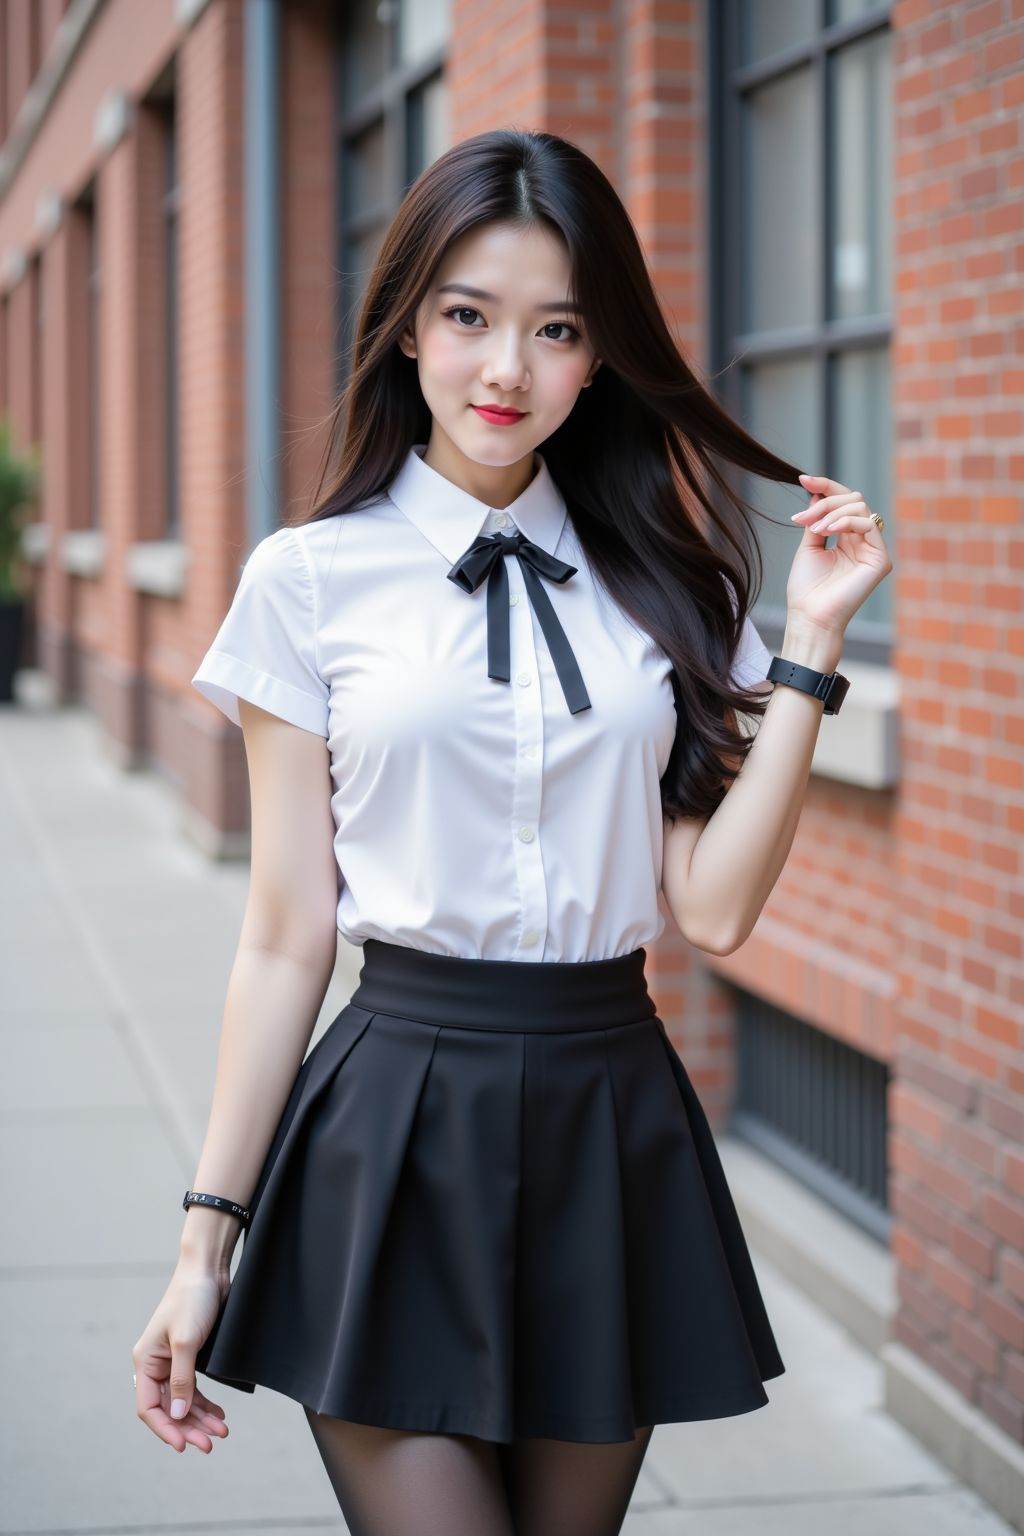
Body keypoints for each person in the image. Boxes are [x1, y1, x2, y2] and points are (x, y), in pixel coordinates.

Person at [132, 127, 892, 1535]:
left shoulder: (665, 585)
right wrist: (203, 1244)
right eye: (470, 318)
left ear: (599, 357)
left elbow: (713, 911)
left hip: (612, 1115)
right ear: (409, 323)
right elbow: (288, 936)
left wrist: (808, 657)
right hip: (394, 1121)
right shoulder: (308, 582)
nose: (506, 372)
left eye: (556, 331)